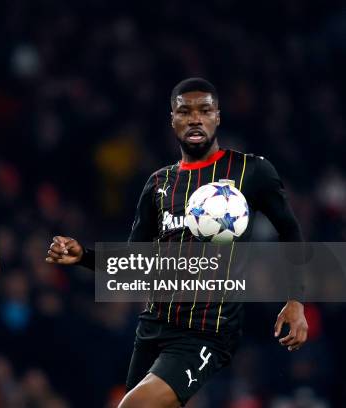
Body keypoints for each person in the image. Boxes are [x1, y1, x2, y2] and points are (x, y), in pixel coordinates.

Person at [45, 78, 308, 408]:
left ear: (218, 117)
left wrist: (296, 300)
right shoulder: (159, 183)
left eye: (205, 110)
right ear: (173, 119)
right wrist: (83, 256)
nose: (195, 118)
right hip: (154, 328)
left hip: (207, 332)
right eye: (185, 111)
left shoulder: (251, 171)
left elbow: (290, 231)